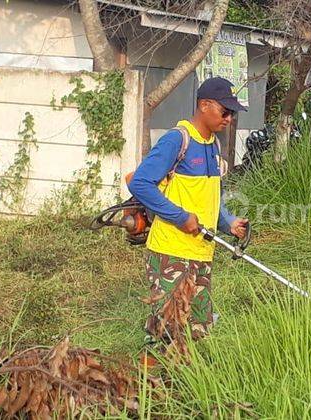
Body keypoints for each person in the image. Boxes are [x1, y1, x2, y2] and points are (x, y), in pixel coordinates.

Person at [129, 77, 249, 352]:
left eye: (232, 113)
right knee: (166, 332)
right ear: (204, 105)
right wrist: (180, 217)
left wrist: (228, 222)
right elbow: (140, 183)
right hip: (172, 252)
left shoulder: (213, 146)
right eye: (225, 111)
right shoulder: (177, 140)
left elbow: (209, 197)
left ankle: (186, 387)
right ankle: (151, 389)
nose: (229, 119)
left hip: (202, 254)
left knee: (198, 328)